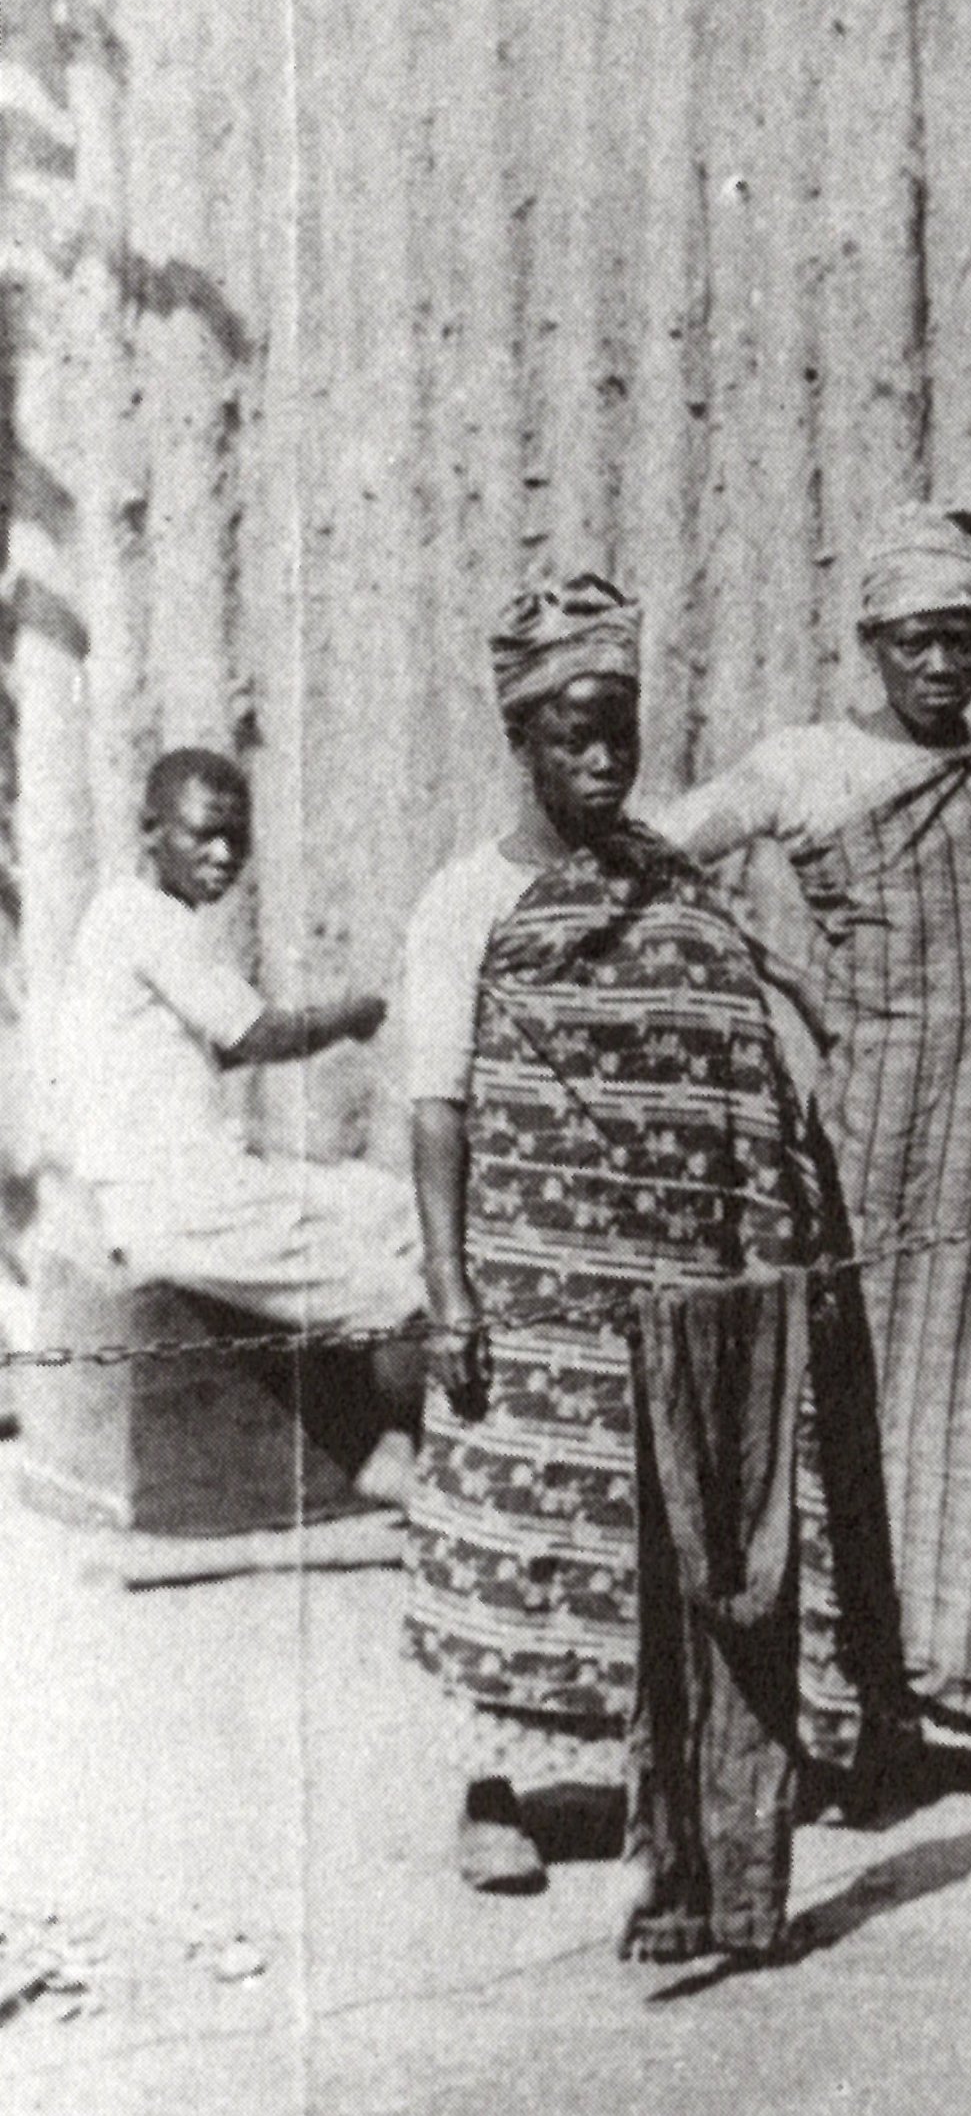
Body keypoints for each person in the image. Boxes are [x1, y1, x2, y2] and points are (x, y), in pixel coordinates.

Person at [657, 504, 971, 1798]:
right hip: (881, 1153)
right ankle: (876, 1712)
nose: (942, 665)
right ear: (870, 638)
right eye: (917, 641)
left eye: (963, 639)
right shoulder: (807, 763)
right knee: (881, 1429)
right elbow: (657, 855)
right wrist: (766, 976)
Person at [402, 574, 848, 1950]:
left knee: (676, 1529)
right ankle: (490, 1791)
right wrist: (453, 1290)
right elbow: (438, 1102)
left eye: (622, 728)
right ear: (521, 736)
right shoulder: (467, 899)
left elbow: (740, 1049)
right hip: (537, 1282)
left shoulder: (675, 882)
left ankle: (679, 1775)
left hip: (678, 1276)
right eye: (575, 732)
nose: (605, 757)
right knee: (519, 1540)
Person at [56, 746, 421, 1504]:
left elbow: (193, 1056)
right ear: (151, 830)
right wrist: (353, 1016)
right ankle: (398, 1455)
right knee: (391, 1291)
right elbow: (255, 1035)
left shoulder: (125, 918)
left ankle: (382, 1440)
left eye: (237, 836)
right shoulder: (147, 919)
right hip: (186, 1204)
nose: (224, 854)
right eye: (203, 834)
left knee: (385, 1203)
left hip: (190, 1188)